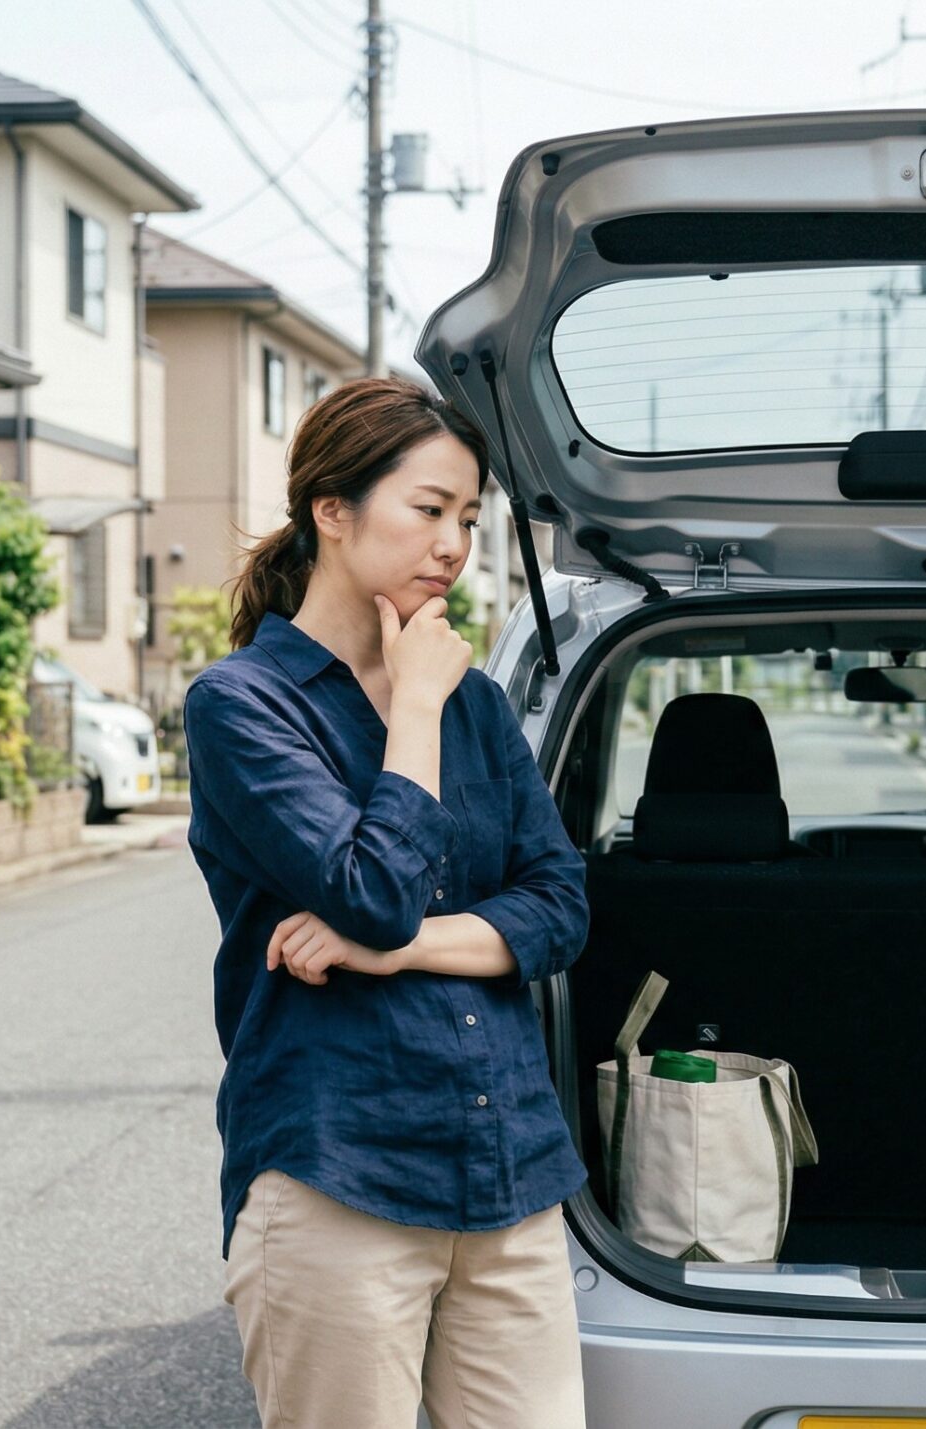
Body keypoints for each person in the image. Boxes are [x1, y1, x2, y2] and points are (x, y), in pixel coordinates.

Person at [182, 376, 591, 1429]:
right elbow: (371, 890)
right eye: (428, 508)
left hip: (507, 1172)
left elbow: (558, 907)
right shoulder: (242, 706)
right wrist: (412, 700)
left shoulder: (480, 702)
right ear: (332, 509)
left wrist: (391, 955)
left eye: (467, 517)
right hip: (339, 1174)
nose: (454, 542)